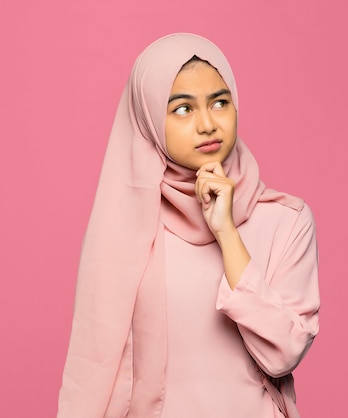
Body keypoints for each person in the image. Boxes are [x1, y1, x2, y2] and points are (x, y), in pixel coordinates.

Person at [57, 33, 320, 418]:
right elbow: (98, 367)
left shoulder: (286, 220)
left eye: (220, 102)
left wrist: (226, 232)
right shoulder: (124, 228)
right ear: (148, 118)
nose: (208, 124)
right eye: (182, 109)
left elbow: (283, 353)